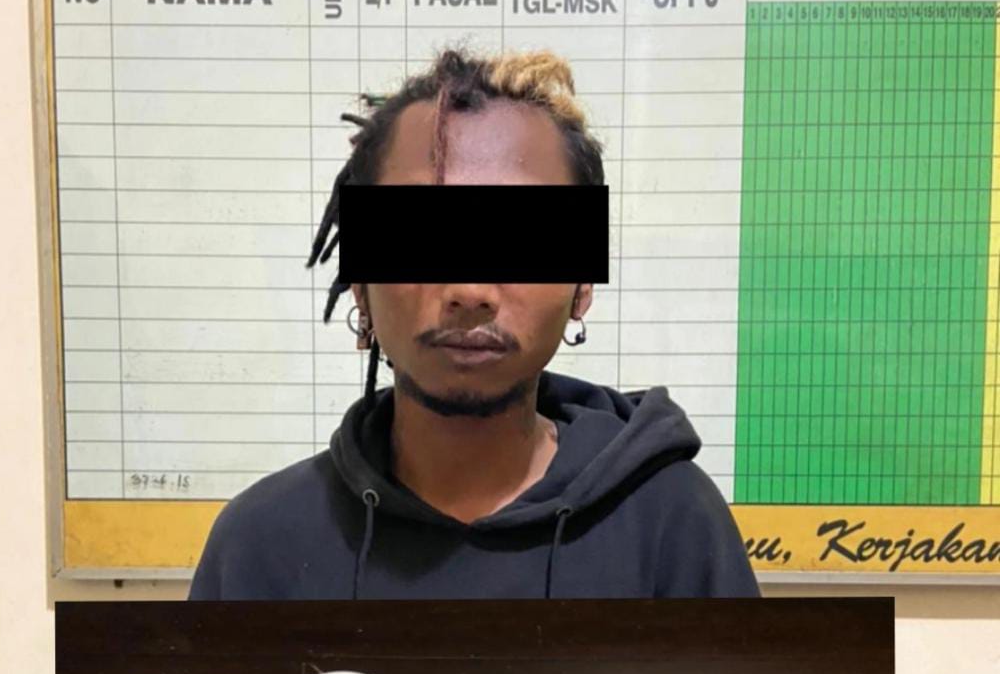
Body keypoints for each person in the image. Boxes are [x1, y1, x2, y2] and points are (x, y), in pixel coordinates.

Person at [189, 48, 758, 599]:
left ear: (582, 287)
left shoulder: (673, 526)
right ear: (359, 283)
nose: (468, 291)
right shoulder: (259, 545)